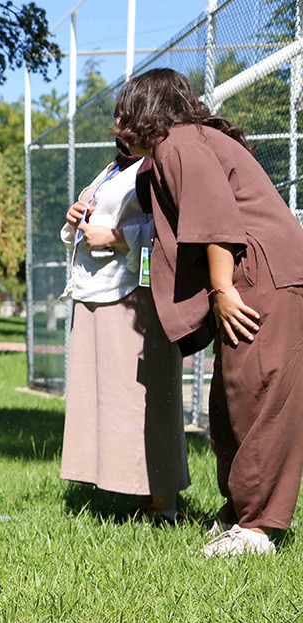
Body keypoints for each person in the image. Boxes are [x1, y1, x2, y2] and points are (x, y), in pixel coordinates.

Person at [115, 68, 303, 557]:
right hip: (253, 273)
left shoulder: (181, 142)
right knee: (229, 397)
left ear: (146, 107)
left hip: (259, 275)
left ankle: (260, 527)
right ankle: (240, 512)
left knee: (259, 395)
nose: (117, 123)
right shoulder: (171, 150)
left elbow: (216, 221)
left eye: (124, 109)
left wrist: (220, 288)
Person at [59, 139, 190, 522]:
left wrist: (117, 237)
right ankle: (131, 493)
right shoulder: (113, 167)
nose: (120, 129)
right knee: (104, 400)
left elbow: (171, 229)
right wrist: (74, 221)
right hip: (94, 291)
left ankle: (164, 505)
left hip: (134, 294)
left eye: (127, 119)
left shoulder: (158, 166)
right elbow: (93, 223)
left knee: (146, 396)